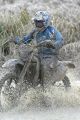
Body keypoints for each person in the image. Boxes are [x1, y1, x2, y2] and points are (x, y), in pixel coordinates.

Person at [14, 11, 69, 88]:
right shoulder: (35, 31)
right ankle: (29, 81)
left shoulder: (52, 30)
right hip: (39, 54)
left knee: (44, 66)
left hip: (50, 55)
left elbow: (61, 40)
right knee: (29, 60)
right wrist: (18, 41)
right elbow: (26, 39)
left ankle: (46, 88)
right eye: (36, 22)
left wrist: (53, 44)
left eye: (40, 22)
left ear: (46, 22)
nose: (38, 24)